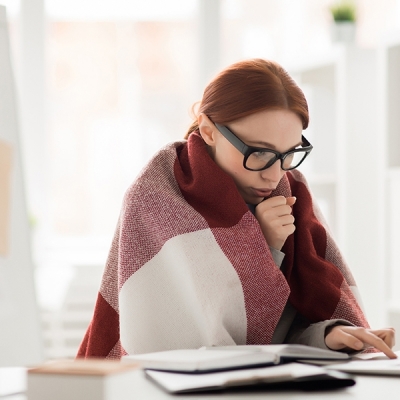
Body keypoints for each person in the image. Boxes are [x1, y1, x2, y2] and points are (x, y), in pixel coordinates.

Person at [77, 58, 396, 359]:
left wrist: (329, 336)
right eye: (259, 153)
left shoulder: (292, 191)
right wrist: (264, 245)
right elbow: (199, 344)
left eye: (289, 154)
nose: (274, 174)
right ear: (208, 130)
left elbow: (276, 336)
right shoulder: (156, 198)